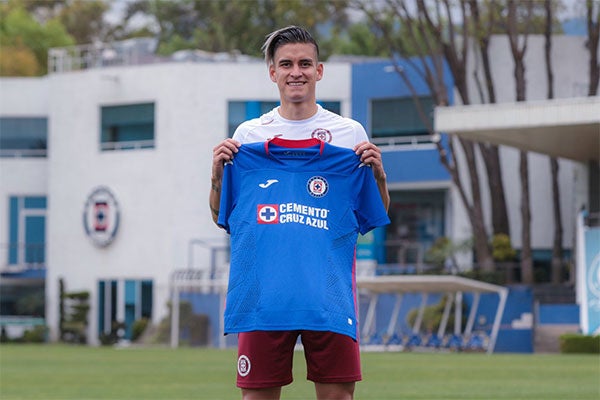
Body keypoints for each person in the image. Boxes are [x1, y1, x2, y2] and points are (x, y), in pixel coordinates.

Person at [210, 26, 390, 400]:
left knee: (338, 396)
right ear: (272, 72)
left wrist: (379, 177)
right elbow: (222, 216)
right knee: (256, 397)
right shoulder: (248, 138)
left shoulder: (348, 134)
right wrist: (216, 176)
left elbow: (369, 219)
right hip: (262, 297)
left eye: (305, 63)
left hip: (328, 294)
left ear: (319, 71)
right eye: (287, 64)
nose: (297, 72)